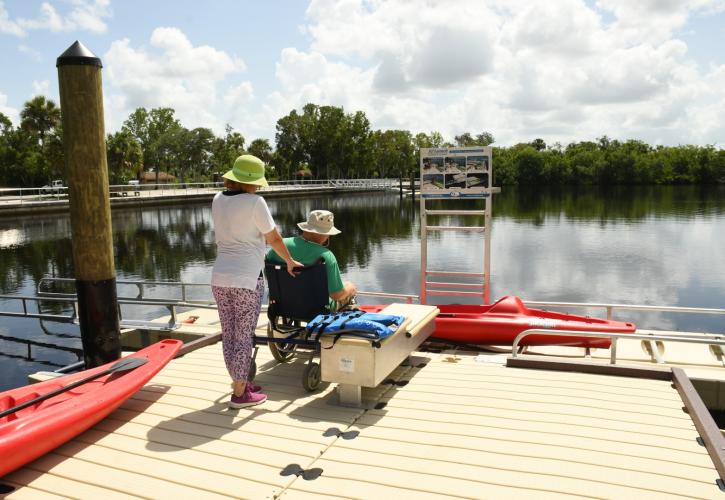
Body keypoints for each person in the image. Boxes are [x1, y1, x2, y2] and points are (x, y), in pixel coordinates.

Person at [211, 154, 302, 409]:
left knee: (229, 334)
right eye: (257, 183)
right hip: (246, 279)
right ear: (249, 182)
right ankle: (240, 394)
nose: (259, 187)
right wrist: (289, 261)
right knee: (243, 336)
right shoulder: (255, 202)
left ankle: (240, 382)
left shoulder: (217, 199)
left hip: (220, 276)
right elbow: (273, 237)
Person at [266, 209, 357, 311]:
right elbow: (336, 295)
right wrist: (351, 288)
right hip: (317, 310)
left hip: (282, 307)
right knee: (348, 291)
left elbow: (270, 278)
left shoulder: (278, 248)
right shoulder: (326, 256)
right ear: (325, 234)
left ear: (307, 228)